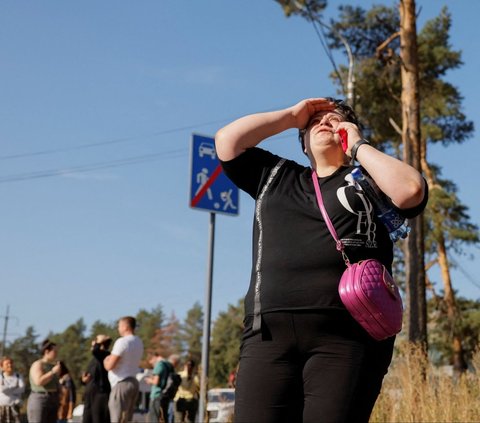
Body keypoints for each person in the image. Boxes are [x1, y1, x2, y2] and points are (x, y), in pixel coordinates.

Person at [215, 97, 428, 423]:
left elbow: (411, 190)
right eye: (315, 121)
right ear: (302, 143)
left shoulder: (370, 180)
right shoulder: (275, 175)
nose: (325, 121)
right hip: (268, 336)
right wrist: (290, 117)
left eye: (336, 118)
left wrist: (357, 145)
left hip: (348, 337)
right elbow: (227, 142)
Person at [104, 316, 144, 423]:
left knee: (117, 417)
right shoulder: (138, 341)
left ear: (125, 326)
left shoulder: (122, 342)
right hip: (133, 381)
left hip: (121, 382)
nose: (118, 329)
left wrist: (106, 361)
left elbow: (110, 366)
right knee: (126, 418)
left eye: (119, 326)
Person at [27, 339, 62, 423]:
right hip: (40, 399)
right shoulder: (38, 364)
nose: (56, 353)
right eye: (54, 351)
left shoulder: (53, 366)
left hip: (53, 399)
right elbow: (39, 382)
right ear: (47, 351)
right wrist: (53, 372)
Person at [81, 334, 112, 423]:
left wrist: (98, 342)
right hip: (89, 396)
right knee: (87, 419)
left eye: (96, 341)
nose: (93, 343)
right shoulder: (93, 360)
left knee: (98, 419)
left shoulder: (106, 356)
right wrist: (84, 380)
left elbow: (95, 351)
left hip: (100, 395)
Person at [145, 354, 179, 423]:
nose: (151, 363)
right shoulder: (170, 367)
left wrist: (149, 380)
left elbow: (156, 382)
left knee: (154, 418)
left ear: (155, 357)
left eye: (151, 361)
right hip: (166, 395)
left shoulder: (160, 365)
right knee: (163, 417)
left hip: (157, 395)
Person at [173, 359, 199, 423]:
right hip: (191, 401)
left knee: (178, 420)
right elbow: (199, 390)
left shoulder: (179, 375)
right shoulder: (196, 378)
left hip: (179, 400)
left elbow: (174, 387)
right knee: (190, 421)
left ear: (185, 366)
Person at [0, 356, 25, 423]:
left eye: (11, 363)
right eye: (7, 364)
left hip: (15, 407)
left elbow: (22, 389)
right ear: (2, 366)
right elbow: (2, 389)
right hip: (2, 408)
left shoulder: (18, 376)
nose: (10, 365)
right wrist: (14, 386)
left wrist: (8, 389)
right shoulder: (0, 377)